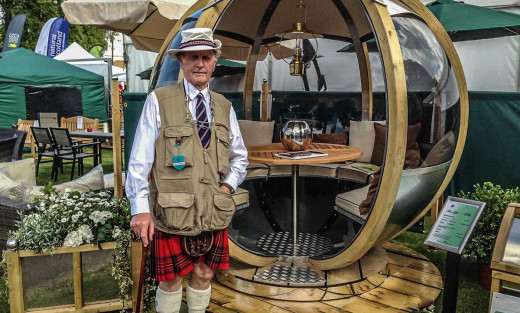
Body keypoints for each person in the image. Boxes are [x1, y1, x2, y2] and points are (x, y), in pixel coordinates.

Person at [126, 28, 248, 313]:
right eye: (193, 57)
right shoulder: (159, 100)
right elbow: (139, 161)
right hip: (172, 210)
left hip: (213, 210)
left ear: (215, 62)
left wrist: (227, 187)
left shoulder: (225, 106)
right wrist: (140, 208)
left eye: (206, 57)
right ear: (181, 61)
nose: (200, 64)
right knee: (169, 281)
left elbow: (240, 158)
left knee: (205, 273)